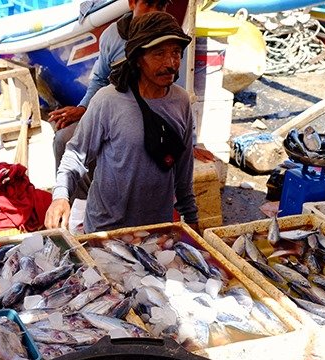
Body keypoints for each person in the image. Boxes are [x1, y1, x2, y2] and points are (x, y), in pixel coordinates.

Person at [48, 0, 215, 207]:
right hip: (114, 111)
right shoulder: (112, 37)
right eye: (148, 4)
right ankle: (79, 206)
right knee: (64, 139)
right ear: (131, 3)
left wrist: (189, 143)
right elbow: (100, 79)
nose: (154, 12)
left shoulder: (169, 34)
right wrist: (83, 109)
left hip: (152, 116)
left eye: (161, 6)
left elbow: (179, 97)